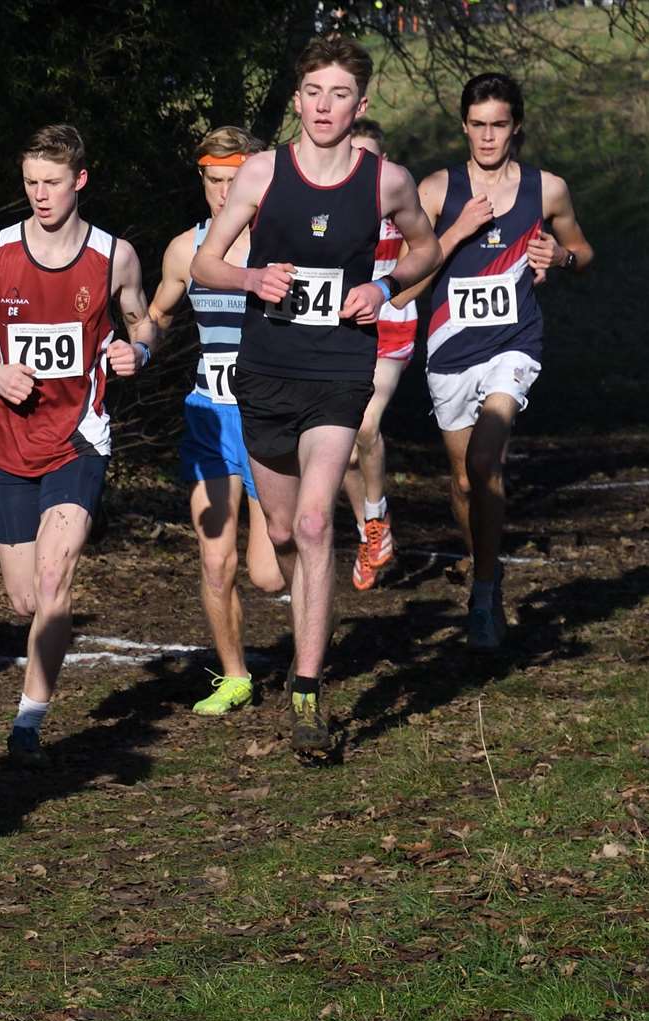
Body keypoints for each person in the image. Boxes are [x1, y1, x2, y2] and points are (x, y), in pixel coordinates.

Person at [191, 36, 441, 757]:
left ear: (359, 105)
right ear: (296, 98)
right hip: (265, 371)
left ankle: (307, 692)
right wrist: (250, 280)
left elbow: (425, 248)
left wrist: (384, 286)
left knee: (311, 524)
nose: (325, 107)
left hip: (340, 368)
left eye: (340, 95)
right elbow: (208, 259)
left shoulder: (386, 181)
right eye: (314, 92)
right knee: (276, 535)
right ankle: (306, 631)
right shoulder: (262, 173)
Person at [0, 124, 155, 767]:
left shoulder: (114, 256)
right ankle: (33, 699)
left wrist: (135, 351)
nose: (40, 195)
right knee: (26, 599)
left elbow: (144, 323)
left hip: (79, 438)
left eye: (52, 183)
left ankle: (28, 721)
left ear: (79, 181)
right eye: (31, 182)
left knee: (57, 577)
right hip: (9, 441)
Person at [403, 72, 592, 648]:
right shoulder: (437, 190)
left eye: (499, 126)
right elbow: (414, 277)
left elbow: (584, 252)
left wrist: (560, 257)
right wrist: (456, 231)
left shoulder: (547, 190)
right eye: (479, 126)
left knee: (486, 462)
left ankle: (483, 594)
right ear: (464, 126)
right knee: (463, 482)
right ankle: (485, 567)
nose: (488, 138)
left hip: (513, 344)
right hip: (449, 350)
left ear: (516, 127)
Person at [146, 126, 284, 716]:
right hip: (210, 413)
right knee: (215, 558)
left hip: (272, 415)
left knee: (270, 572)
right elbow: (157, 313)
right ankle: (234, 677)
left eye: (236, 181)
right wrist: (140, 346)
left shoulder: (284, 244)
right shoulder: (186, 250)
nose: (225, 194)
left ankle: (306, 660)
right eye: (214, 181)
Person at [342, 118, 421, 591]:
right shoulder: (330, 204)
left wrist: (404, 294)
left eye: (370, 159)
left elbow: (427, 251)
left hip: (391, 325)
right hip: (343, 328)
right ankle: (370, 531)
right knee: (343, 452)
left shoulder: (397, 198)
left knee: (366, 425)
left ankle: (375, 515)